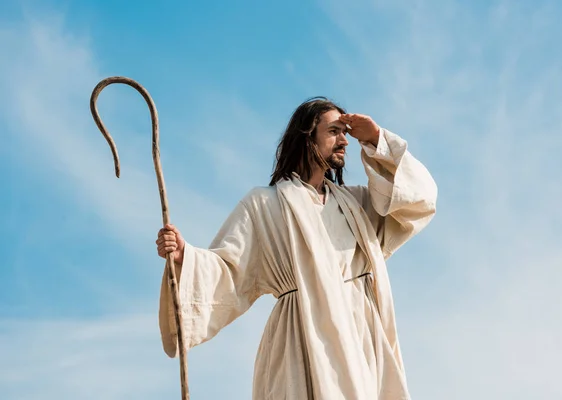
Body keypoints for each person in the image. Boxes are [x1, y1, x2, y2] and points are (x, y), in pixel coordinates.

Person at [156, 97, 437, 399]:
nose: (344, 140)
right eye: (334, 131)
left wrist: (375, 138)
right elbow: (227, 268)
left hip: (363, 342)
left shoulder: (359, 205)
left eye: (345, 132)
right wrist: (185, 255)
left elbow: (417, 198)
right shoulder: (265, 205)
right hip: (302, 341)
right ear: (307, 138)